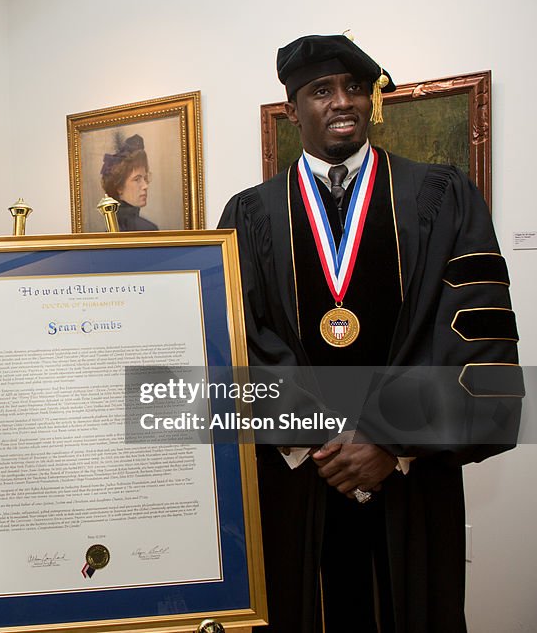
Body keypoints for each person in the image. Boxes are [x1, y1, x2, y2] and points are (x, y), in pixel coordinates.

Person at [219, 34, 521, 632]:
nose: (342, 102)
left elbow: (472, 336)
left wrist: (389, 441)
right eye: (321, 90)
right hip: (299, 481)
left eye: (356, 87)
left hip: (411, 479)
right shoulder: (250, 215)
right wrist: (321, 439)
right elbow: (240, 342)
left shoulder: (441, 196)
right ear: (291, 110)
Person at [100, 133, 157, 231]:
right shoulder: (147, 229)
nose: (145, 186)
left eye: (145, 178)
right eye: (137, 179)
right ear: (119, 187)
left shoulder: (111, 228)